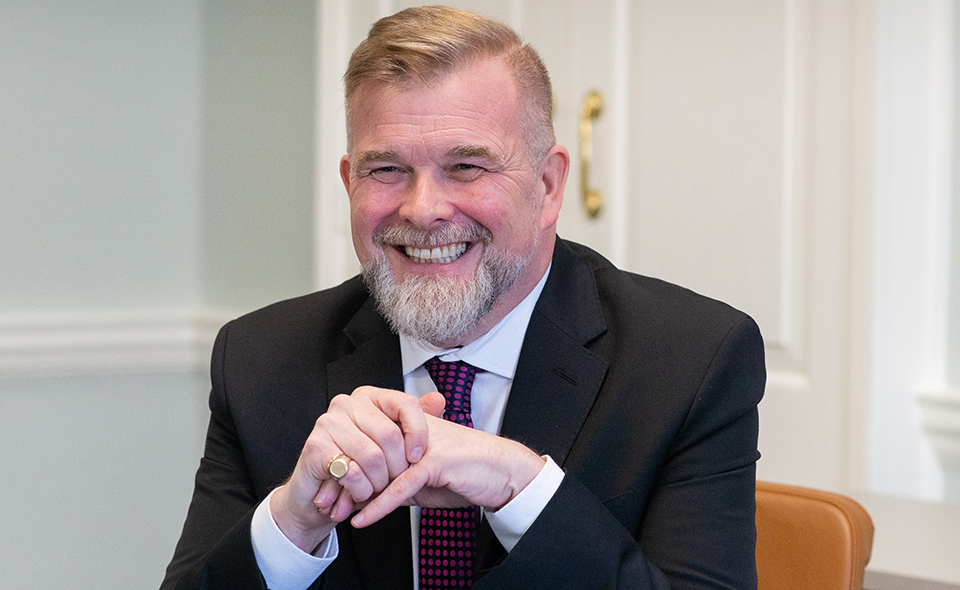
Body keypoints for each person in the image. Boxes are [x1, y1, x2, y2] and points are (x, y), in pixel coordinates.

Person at [161, 6, 765, 590]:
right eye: (387, 170)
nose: (422, 209)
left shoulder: (691, 362)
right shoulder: (260, 361)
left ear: (550, 185)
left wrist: (520, 488)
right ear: (349, 183)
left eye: (467, 166)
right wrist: (294, 522)